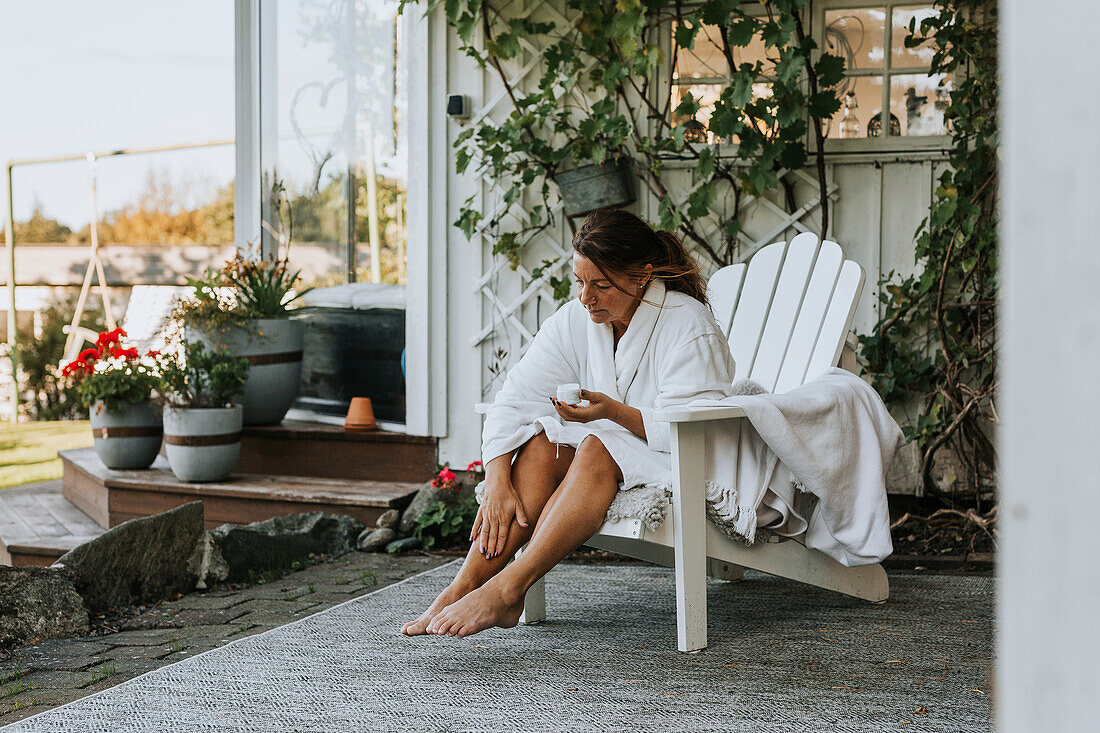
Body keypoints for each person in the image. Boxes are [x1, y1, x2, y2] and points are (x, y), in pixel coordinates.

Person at [401, 207, 736, 638]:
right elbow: (514, 398)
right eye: (580, 281)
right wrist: (498, 477)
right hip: (619, 451)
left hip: (686, 458)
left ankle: (509, 587)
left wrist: (611, 412)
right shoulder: (577, 321)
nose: (586, 297)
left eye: (601, 285)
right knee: (544, 443)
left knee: (597, 443)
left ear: (642, 276)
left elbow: (695, 428)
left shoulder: (688, 325)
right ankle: (463, 586)